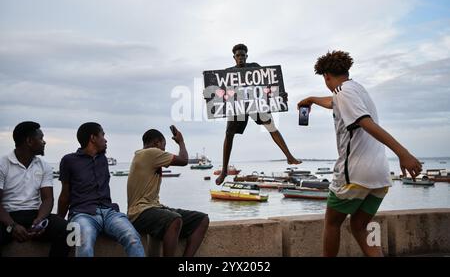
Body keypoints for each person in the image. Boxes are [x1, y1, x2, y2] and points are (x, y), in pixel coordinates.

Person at [297, 50, 422, 257]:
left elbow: (365, 122)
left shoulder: (343, 93)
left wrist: (403, 153)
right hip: (380, 175)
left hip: (355, 173)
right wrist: (311, 99)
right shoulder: (356, 89)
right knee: (359, 225)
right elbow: (333, 102)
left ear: (326, 76)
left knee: (332, 222)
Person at [215, 43, 301, 185]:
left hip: (256, 103)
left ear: (246, 56)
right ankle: (224, 170)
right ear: (234, 57)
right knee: (229, 133)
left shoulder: (254, 67)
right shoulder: (228, 72)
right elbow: (220, 91)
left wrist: (281, 94)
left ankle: (289, 156)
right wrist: (210, 97)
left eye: (243, 55)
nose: (241, 57)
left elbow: (269, 83)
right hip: (238, 105)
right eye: (238, 55)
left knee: (271, 127)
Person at [57, 122, 145, 257]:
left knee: (132, 237)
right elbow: (65, 195)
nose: (105, 139)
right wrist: (60, 221)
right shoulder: (69, 160)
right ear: (93, 138)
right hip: (82, 213)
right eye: (102, 135)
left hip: (109, 212)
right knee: (84, 241)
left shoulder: (102, 159)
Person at [127, 126, 209, 257]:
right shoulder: (150, 153)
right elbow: (184, 160)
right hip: (139, 213)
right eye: (163, 146)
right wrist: (181, 142)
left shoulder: (144, 156)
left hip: (154, 207)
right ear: (157, 143)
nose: (164, 151)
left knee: (202, 219)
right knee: (174, 220)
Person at [0, 121, 70, 257]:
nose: (44, 142)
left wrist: (40, 221)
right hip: (7, 217)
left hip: (34, 215)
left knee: (72, 230)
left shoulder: (44, 166)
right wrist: (12, 226)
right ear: (29, 141)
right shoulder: (3, 164)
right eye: (41, 138)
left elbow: (48, 199)